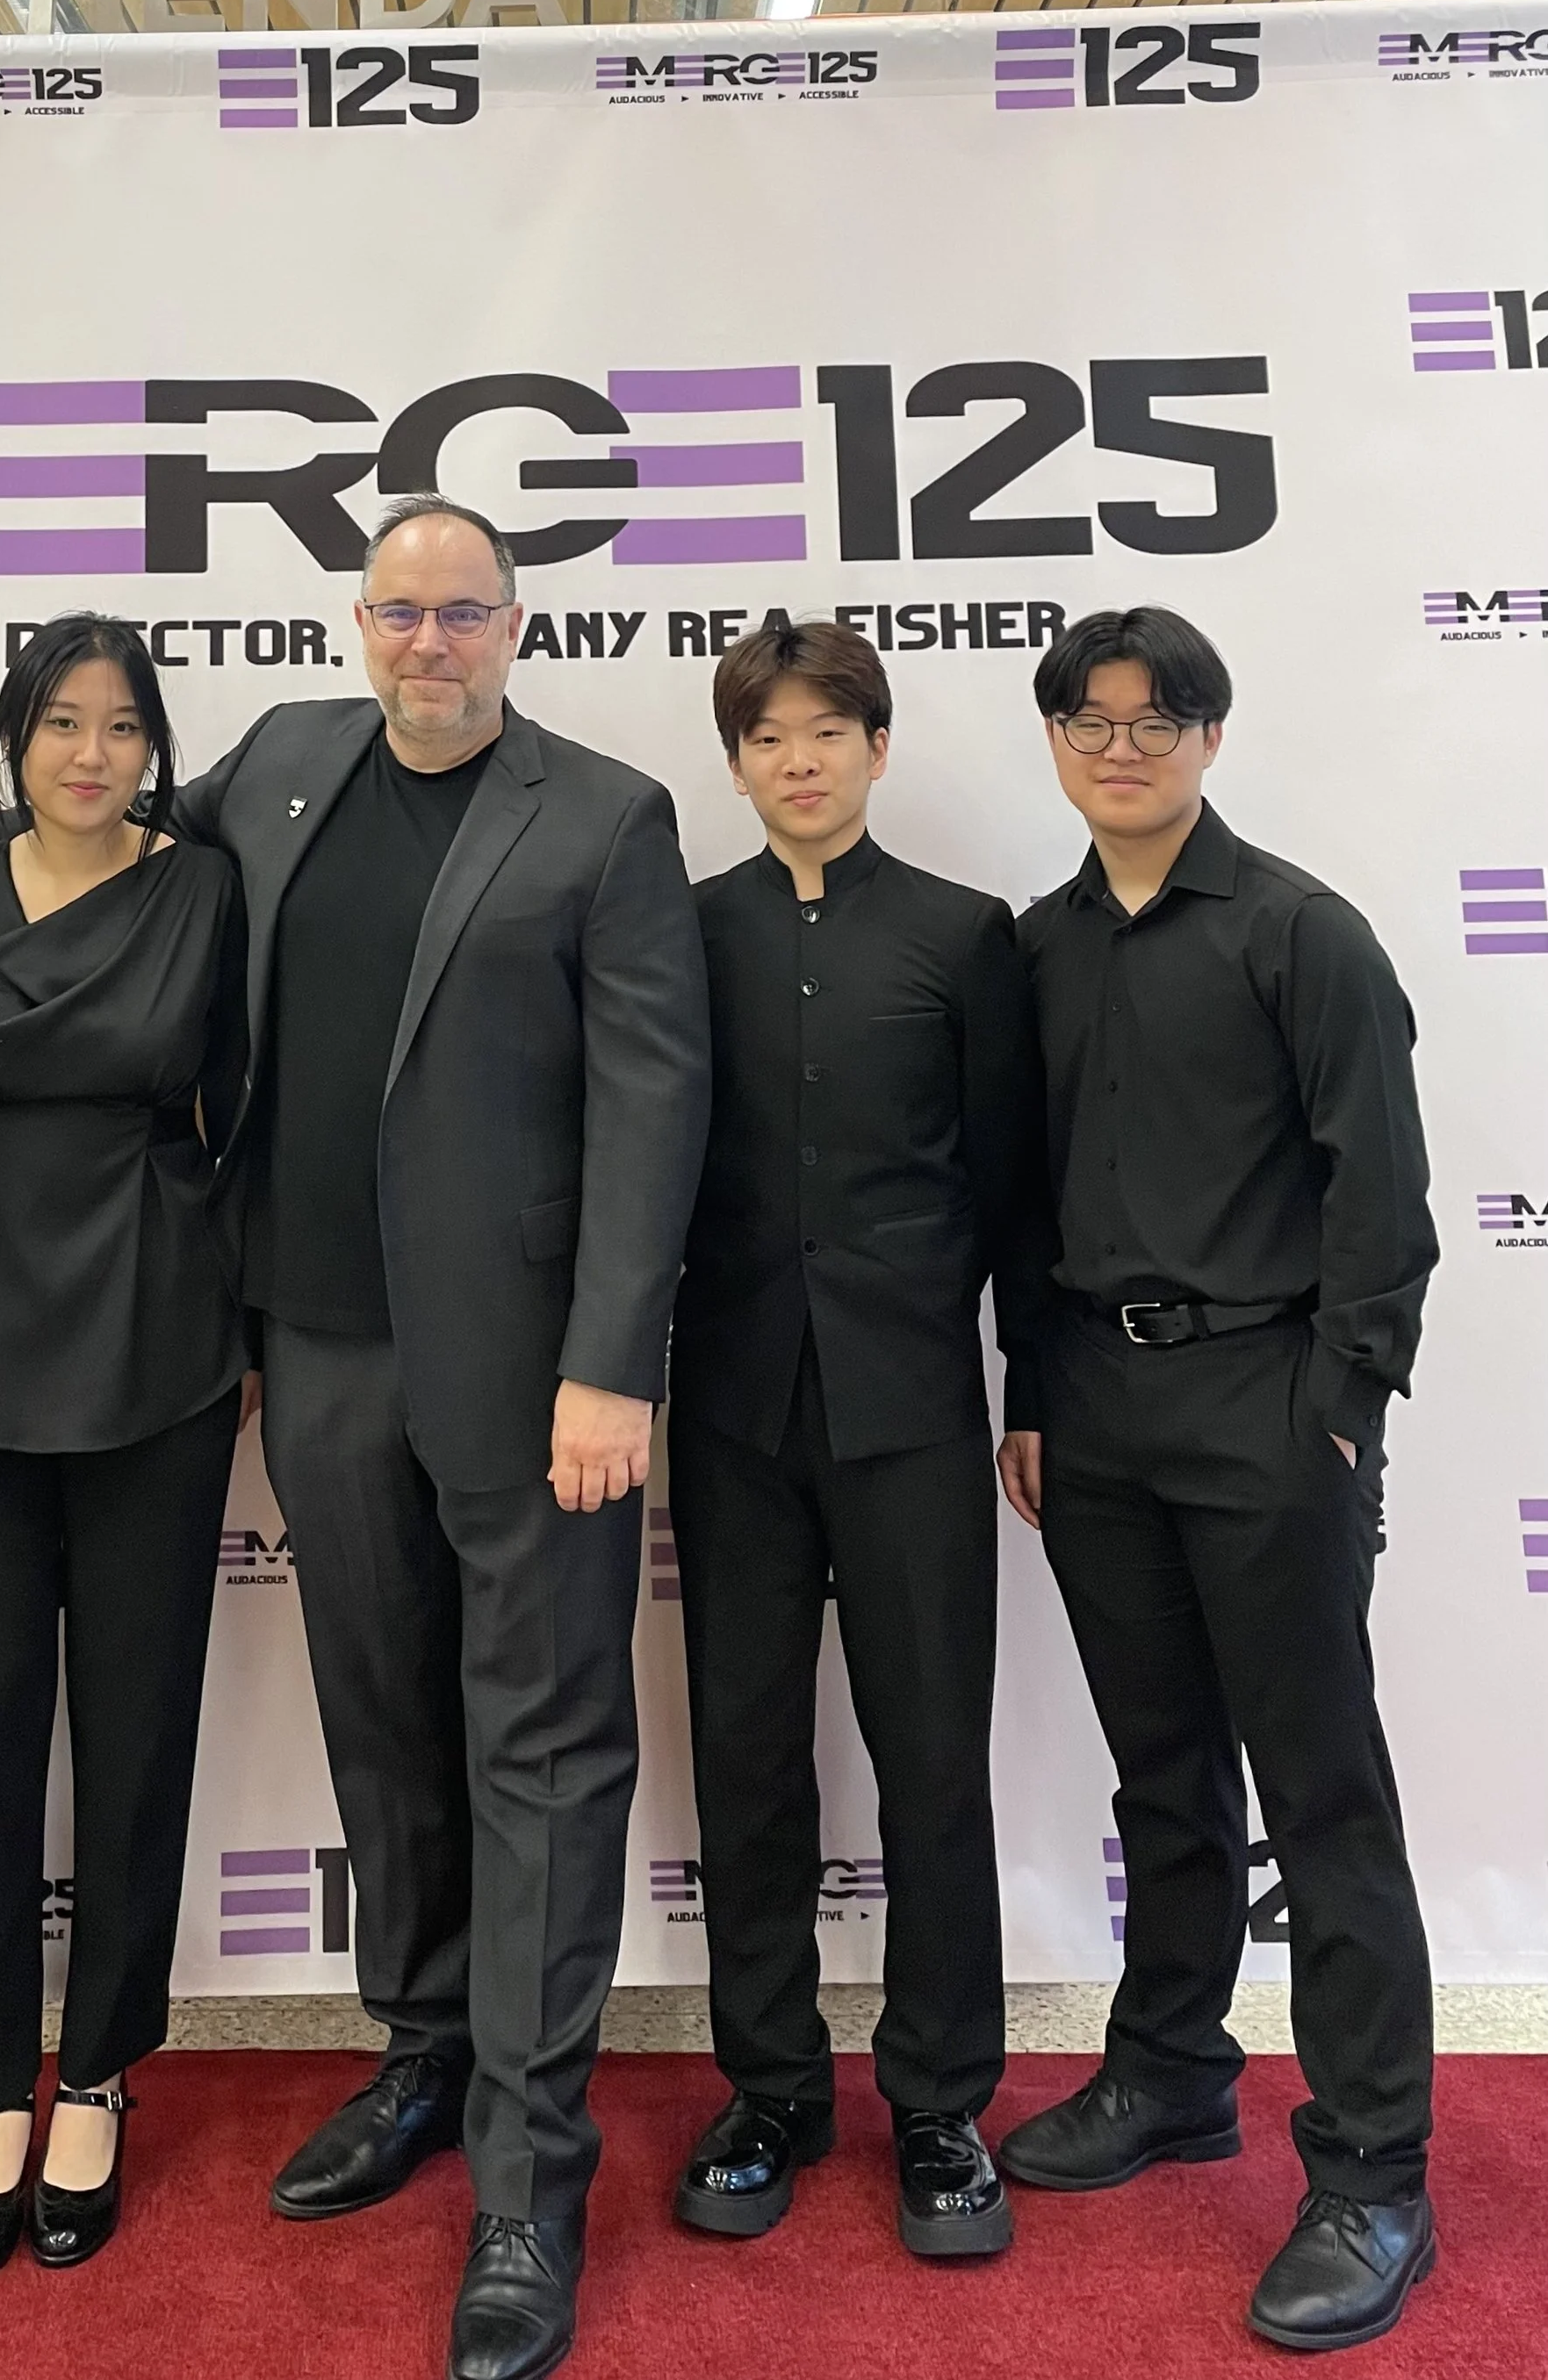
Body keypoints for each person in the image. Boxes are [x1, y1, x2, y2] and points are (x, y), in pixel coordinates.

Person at [0, 498, 707, 2380]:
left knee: (540, 1749)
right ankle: (421, 2048)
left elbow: (653, 1101)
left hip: (529, 1375)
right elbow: (88, 828)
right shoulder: (287, 763)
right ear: (357, 624)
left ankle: (528, 2179)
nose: (428, 642)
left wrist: (612, 1360)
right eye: (397, 610)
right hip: (308, 1348)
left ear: (513, 625)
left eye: (462, 611)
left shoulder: (607, 818)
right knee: (385, 1721)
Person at [996, 608, 1438, 2355]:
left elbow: (1379, 1200)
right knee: (1161, 1779)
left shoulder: (1296, 931)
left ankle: (1372, 2168)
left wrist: (1335, 1408)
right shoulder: (1032, 950)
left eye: (1153, 716)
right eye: (1085, 718)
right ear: (1051, 741)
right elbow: (1021, 1209)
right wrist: (1030, 1391)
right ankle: (1172, 2068)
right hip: (1091, 1414)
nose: (1119, 744)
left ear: (1206, 734)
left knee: (1319, 1797)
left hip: (1268, 1409)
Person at [0, 615, 249, 2278]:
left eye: (121, 726)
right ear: (12, 738)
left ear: (156, 747)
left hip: (160, 1332)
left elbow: (255, 1097)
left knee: (142, 1722)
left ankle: (94, 2072)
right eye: (58, 723)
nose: (90, 753)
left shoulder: (207, 890)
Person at [667, 620, 1052, 2260]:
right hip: (735, 1413)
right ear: (738, 763)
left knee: (930, 1761)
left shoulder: (970, 940)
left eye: (830, 732)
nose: (801, 761)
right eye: (769, 739)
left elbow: (1019, 1195)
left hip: (910, 1415)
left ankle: (944, 2103)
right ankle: (771, 2088)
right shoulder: (679, 937)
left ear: (879, 751)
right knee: (747, 1762)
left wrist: (1031, 1388)